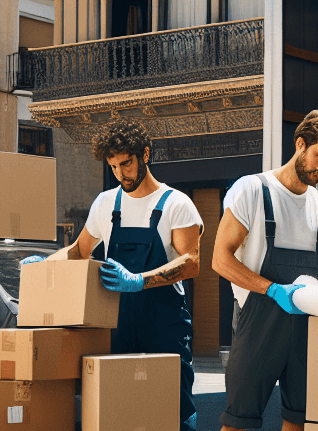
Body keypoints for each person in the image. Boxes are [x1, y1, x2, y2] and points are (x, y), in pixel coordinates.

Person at [23, 119, 202, 431]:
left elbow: (191, 263)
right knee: (118, 412)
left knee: (173, 411)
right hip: (115, 325)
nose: (121, 174)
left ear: (145, 154)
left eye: (127, 164)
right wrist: (44, 266)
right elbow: (80, 251)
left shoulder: (177, 203)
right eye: (114, 166)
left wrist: (138, 280)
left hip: (165, 325)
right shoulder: (106, 203)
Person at [213, 111, 318, 431]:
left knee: (298, 420)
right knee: (238, 422)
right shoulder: (252, 190)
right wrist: (272, 289)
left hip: (308, 326)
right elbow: (220, 259)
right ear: (300, 143)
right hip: (257, 321)